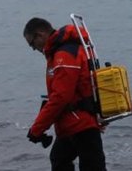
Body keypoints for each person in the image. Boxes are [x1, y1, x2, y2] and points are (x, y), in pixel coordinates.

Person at [24, 17, 107, 171]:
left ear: (40, 34)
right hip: (74, 124)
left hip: (80, 124)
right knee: (59, 158)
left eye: (32, 44)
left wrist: (37, 129)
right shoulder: (62, 51)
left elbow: (61, 97)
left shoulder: (64, 54)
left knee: (87, 165)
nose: (33, 48)